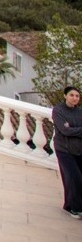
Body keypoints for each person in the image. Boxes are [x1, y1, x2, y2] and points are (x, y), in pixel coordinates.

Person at [52, 85, 82, 218]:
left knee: (77, 178)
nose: (74, 98)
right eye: (71, 95)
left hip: (79, 149)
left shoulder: (79, 112)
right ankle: (75, 208)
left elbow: (70, 130)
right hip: (64, 149)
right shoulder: (58, 111)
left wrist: (72, 129)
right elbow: (64, 131)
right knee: (74, 178)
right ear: (65, 96)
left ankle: (69, 205)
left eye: (77, 96)